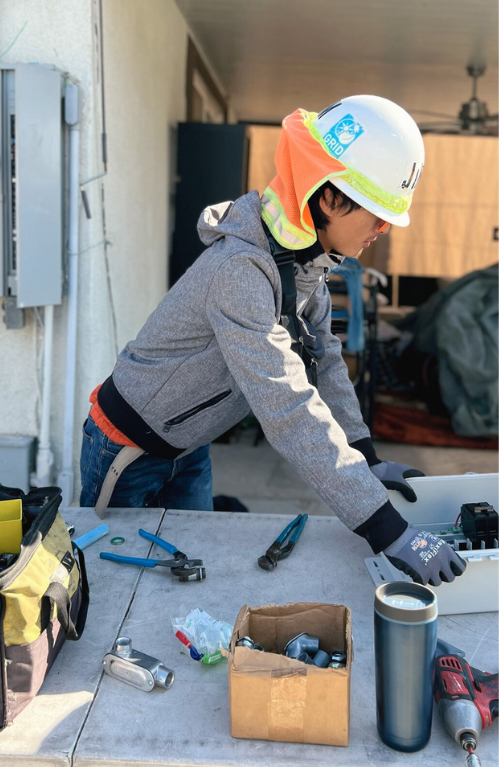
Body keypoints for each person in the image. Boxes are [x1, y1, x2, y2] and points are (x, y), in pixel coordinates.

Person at [80, 95, 466, 587]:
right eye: (376, 211)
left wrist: (366, 459)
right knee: (110, 589)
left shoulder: (307, 267)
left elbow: (325, 365)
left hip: (189, 447)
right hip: (127, 450)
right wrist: (385, 528)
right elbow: (288, 408)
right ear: (329, 198)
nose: (383, 228)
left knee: (184, 580)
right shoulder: (240, 270)